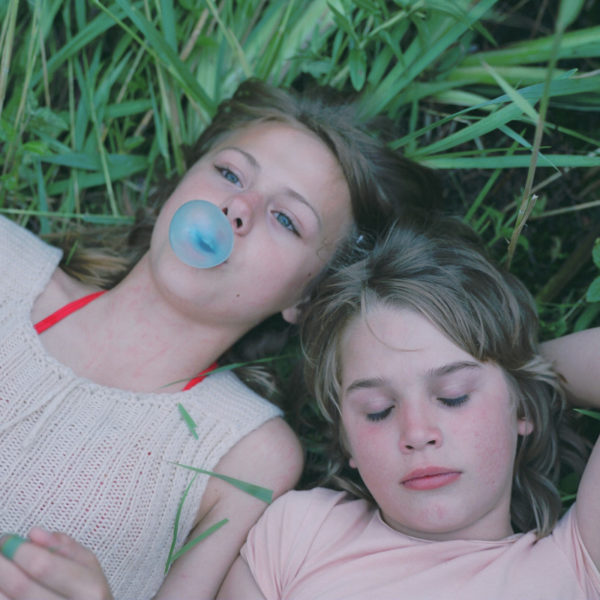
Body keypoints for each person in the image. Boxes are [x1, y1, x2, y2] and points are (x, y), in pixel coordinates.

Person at [0, 78, 441, 600]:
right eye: (230, 173)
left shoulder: (247, 453)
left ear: (305, 298)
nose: (237, 206)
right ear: (180, 185)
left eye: (286, 219)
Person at [217, 219, 600, 600]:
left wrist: (520, 374)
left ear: (523, 410)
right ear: (347, 439)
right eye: (378, 410)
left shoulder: (574, 566)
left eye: (453, 396)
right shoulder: (301, 532)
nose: (416, 433)